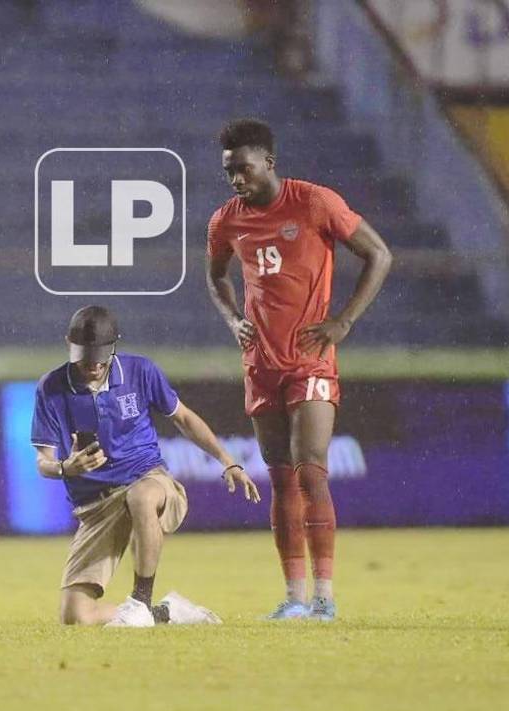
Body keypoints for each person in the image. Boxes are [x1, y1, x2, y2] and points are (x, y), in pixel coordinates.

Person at [205, 118, 393, 621]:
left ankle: (324, 597)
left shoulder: (314, 202)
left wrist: (344, 320)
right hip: (260, 364)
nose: (236, 179)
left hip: (310, 358)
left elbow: (378, 254)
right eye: (229, 172)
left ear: (269, 162)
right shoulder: (225, 221)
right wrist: (233, 320)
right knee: (282, 479)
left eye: (243, 168)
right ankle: (293, 598)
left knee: (310, 469)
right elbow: (216, 276)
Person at [32, 306, 260, 627]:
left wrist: (227, 460)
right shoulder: (51, 388)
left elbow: (184, 418)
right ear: (69, 343)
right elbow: (43, 462)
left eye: (100, 356)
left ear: (114, 346)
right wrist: (66, 467)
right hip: (96, 506)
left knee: (141, 495)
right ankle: (165, 612)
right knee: (75, 616)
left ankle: (140, 600)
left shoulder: (140, 371)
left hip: (148, 477)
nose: (93, 365)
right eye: (85, 357)